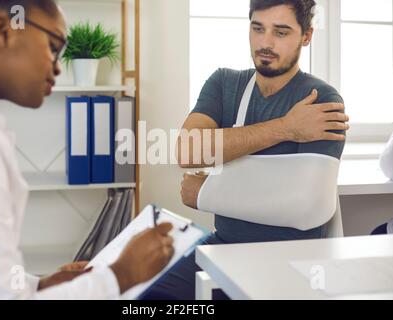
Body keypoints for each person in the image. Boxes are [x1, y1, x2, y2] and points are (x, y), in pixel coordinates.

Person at [0, 0, 174, 299]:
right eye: (54, 46)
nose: (57, 66)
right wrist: (121, 276)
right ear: (3, 29)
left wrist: (38, 284)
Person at [142, 0, 350, 300]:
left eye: (281, 32)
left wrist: (206, 193)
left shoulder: (321, 100)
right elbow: (188, 151)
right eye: (258, 28)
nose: (265, 42)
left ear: (306, 36)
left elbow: (308, 209)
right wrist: (286, 128)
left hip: (293, 260)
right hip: (224, 247)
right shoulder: (225, 84)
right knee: (148, 303)